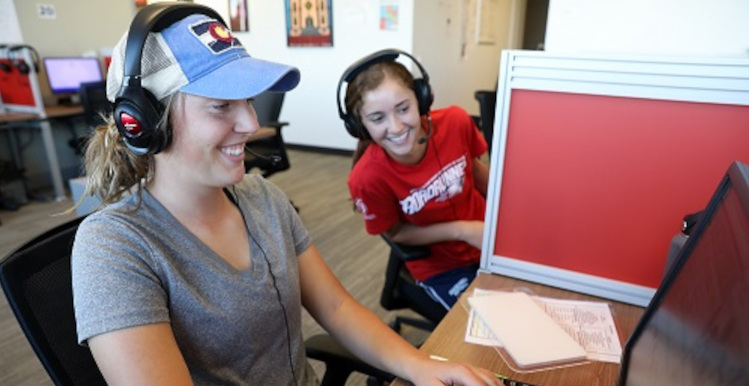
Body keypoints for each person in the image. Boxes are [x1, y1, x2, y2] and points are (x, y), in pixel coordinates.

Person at [71, 4, 500, 386]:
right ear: (143, 123)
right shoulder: (112, 249)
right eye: (221, 105)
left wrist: (420, 367)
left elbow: (335, 308)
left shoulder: (263, 198)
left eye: (248, 100)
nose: (251, 123)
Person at [340, 50, 490, 310]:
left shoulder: (456, 122)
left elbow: (477, 174)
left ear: (421, 99)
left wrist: (508, 221)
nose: (396, 127)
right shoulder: (366, 178)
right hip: (443, 267)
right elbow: (396, 232)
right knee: (484, 335)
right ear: (360, 125)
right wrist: (463, 230)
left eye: (403, 109)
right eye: (378, 118)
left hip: (490, 239)